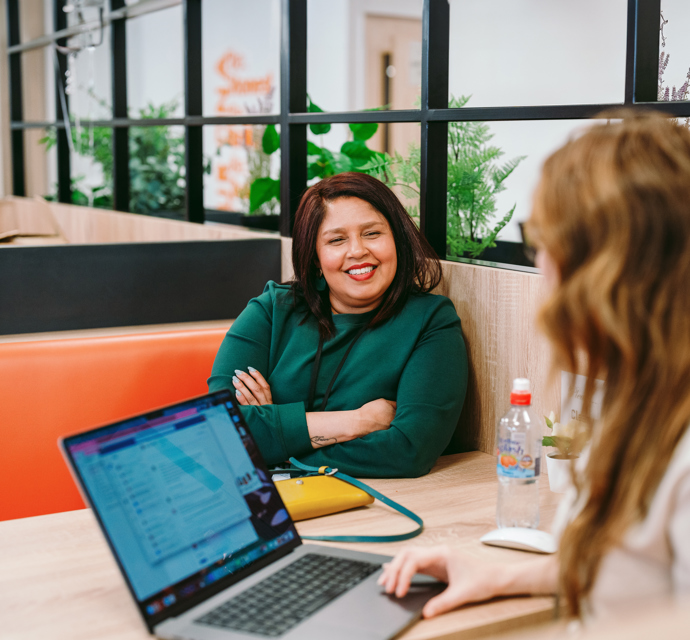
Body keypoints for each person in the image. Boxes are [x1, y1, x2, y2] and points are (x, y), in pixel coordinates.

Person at [379, 112, 690, 620]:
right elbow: (628, 570)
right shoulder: (639, 401)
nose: (538, 264)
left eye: (542, 241)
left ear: (606, 263)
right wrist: (501, 576)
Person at [208, 172, 468, 477]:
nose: (357, 251)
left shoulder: (431, 321)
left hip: (372, 508)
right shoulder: (272, 310)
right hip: (265, 500)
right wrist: (359, 422)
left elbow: (409, 450)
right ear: (316, 257)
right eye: (336, 239)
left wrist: (272, 439)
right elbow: (221, 430)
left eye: (372, 233)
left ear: (397, 239)